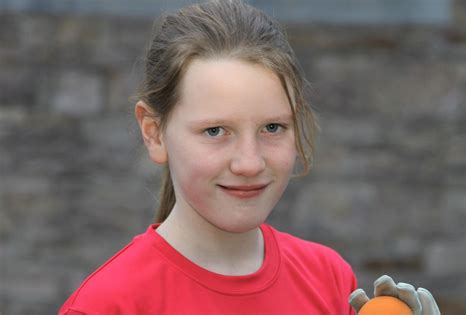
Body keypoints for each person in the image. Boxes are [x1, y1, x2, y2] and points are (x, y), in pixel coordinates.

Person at [59, 1, 441, 314]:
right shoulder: (108, 304)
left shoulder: (328, 278)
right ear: (154, 132)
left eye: (272, 128)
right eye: (215, 131)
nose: (249, 163)